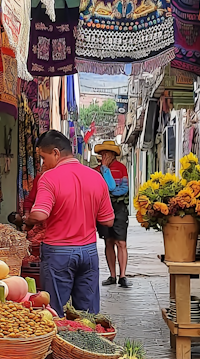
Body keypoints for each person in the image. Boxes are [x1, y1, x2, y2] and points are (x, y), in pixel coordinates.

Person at [25, 130, 114, 315]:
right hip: (88, 251)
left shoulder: (49, 178)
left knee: (55, 313)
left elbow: (40, 214)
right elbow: (108, 220)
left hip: (58, 252)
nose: (43, 164)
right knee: (88, 315)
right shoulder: (96, 177)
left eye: (43, 157)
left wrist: (28, 219)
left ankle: (60, 344)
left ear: (56, 153)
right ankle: (87, 344)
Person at [94, 140, 131, 289]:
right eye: (103, 153)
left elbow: (122, 188)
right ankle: (112, 275)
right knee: (108, 242)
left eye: (107, 153)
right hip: (103, 209)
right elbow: (100, 189)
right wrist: (104, 169)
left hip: (119, 208)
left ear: (113, 154)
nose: (105, 155)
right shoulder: (96, 170)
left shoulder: (121, 168)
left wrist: (110, 192)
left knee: (121, 243)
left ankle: (123, 275)